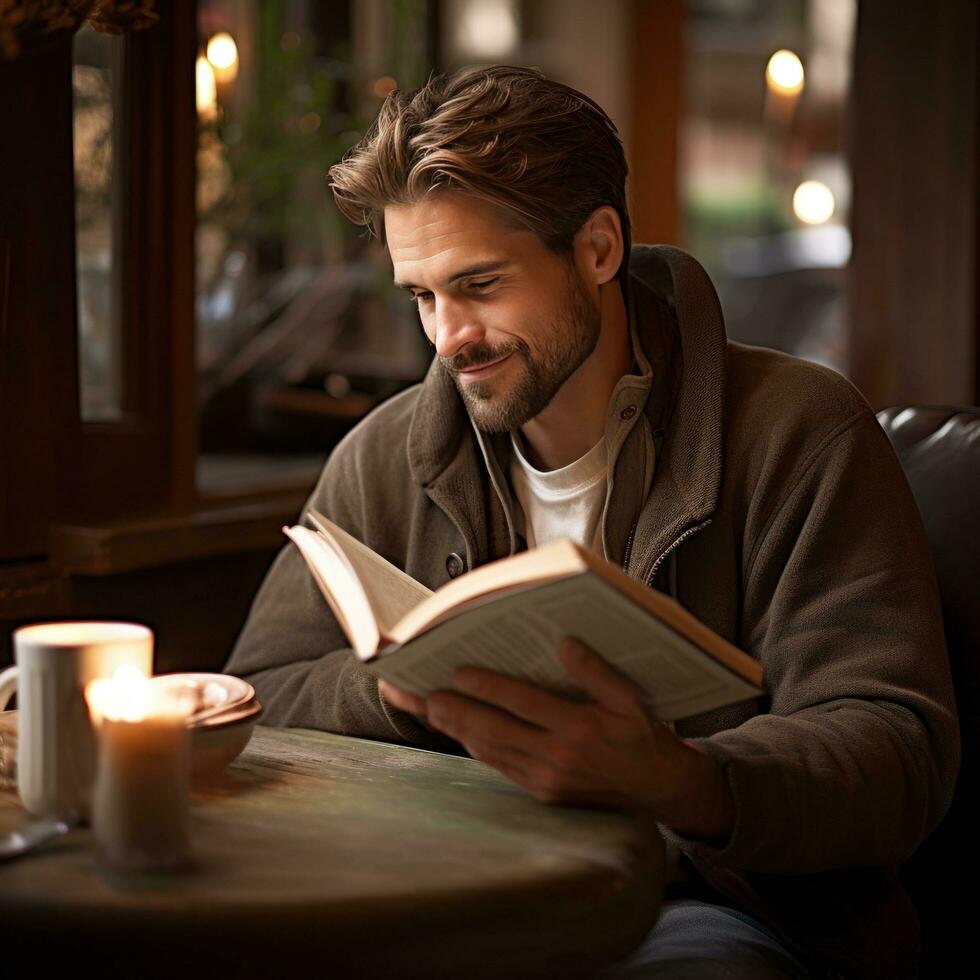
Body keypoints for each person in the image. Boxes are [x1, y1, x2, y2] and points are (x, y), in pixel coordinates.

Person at [225, 66, 959, 978]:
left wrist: (683, 779)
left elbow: (896, 750)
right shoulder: (387, 453)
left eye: (481, 284)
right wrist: (407, 692)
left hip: (707, 905)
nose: (449, 337)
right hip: (455, 886)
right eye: (422, 296)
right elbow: (255, 694)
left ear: (599, 247)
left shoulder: (800, 432)